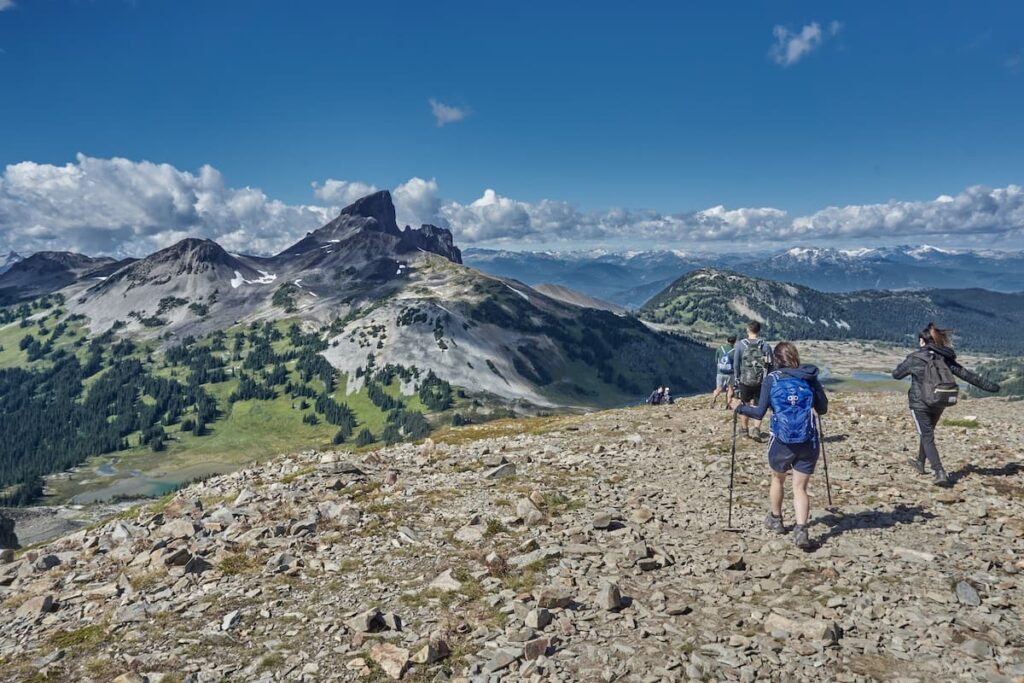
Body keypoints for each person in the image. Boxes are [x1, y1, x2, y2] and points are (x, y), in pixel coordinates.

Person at [736, 341, 827, 550]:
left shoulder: (772, 379)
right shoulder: (809, 378)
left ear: (776, 360)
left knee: (778, 479)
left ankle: (776, 519)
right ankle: (802, 530)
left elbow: (758, 412)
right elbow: (822, 409)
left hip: (781, 441)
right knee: (800, 487)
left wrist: (739, 408)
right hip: (808, 440)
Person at [891, 322, 1000, 487]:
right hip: (939, 402)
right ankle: (920, 462)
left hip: (920, 404)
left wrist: (905, 368)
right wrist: (992, 387)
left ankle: (939, 471)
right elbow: (968, 376)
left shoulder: (914, 358)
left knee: (926, 435)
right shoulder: (945, 358)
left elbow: (896, 375)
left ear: (922, 341)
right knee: (927, 433)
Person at [732, 321, 773, 441]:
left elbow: (735, 364)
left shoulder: (740, 345)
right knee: (758, 405)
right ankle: (756, 430)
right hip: (761, 381)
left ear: (747, 330)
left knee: (744, 404)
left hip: (744, 381)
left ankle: (744, 430)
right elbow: (771, 365)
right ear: (759, 331)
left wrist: (737, 379)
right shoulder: (765, 346)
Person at [710, 335, 737, 408]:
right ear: (735, 342)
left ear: (727, 341)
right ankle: (728, 404)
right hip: (730, 373)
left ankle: (713, 398)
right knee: (730, 388)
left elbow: (716, 360)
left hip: (720, 372)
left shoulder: (720, 349)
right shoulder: (735, 351)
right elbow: (736, 363)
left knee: (719, 388)